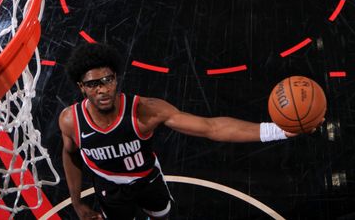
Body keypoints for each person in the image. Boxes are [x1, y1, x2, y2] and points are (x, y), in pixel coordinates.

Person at [58, 43, 298, 220]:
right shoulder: (71, 121)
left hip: (147, 179)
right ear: (81, 87)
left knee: (163, 216)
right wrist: (77, 203)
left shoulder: (144, 111)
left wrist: (277, 131)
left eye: (108, 80)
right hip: (109, 188)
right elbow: (70, 155)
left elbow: (210, 127)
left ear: (116, 79)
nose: (103, 90)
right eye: (93, 84)